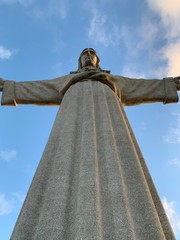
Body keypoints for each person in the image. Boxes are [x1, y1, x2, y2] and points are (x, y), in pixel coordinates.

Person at [0, 48, 180, 240]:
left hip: (110, 119)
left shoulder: (111, 82)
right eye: (84, 54)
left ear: (97, 60)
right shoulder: (67, 82)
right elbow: (39, 88)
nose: (87, 55)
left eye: (91, 53)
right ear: (79, 61)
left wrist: (169, 84)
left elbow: (141, 86)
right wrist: (10, 87)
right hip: (71, 119)